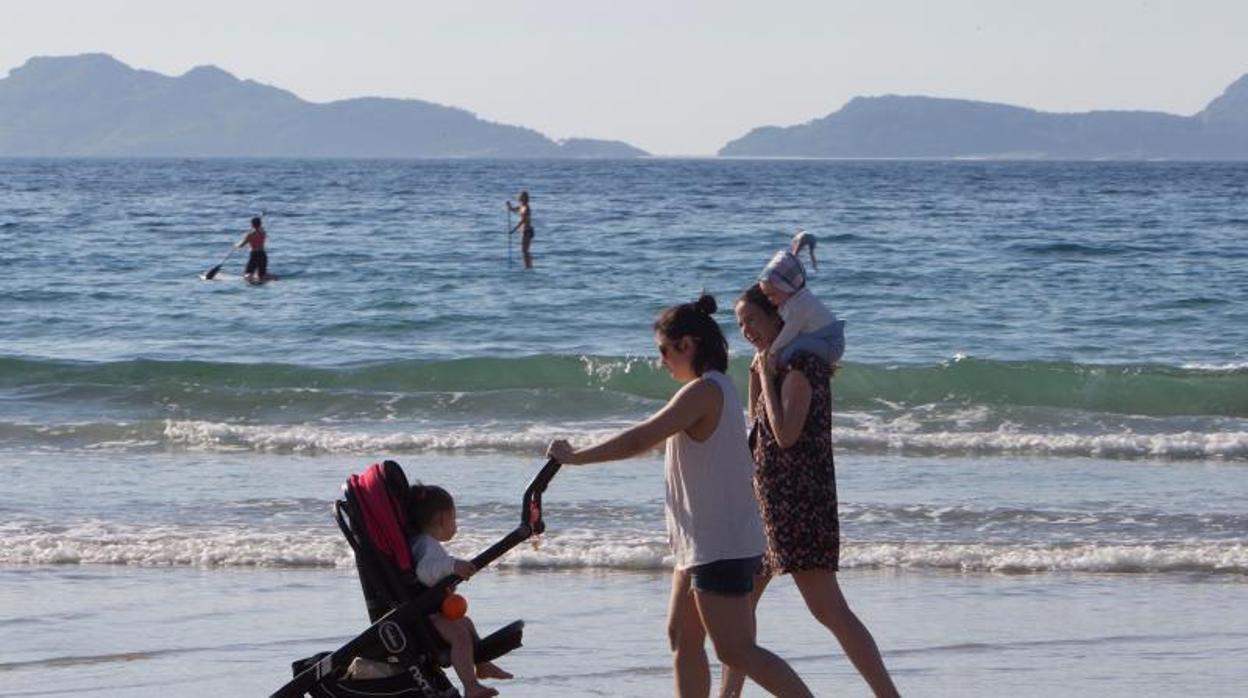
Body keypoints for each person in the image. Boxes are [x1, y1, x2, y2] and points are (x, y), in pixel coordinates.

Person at [547, 294, 813, 698]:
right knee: (682, 638)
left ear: (688, 345)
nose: (661, 362)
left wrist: (576, 457)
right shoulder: (710, 387)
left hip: (719, 544)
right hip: (700, 543)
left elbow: (641, 437)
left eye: (664, 352)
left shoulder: (704, 392)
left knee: (736, 650)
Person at [721, 284, 899, 698]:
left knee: (828, 609)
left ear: (781, 317)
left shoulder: (801, 364)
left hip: (800, 502)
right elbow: (759, 423)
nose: (746, 330)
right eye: (740, 324)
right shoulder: (775, 360)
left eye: (754, 320)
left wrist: (765, 372)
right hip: (769, 500)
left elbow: (785, 436)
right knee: (742, 607)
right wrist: (758, 371)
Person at [407, 483, 512, 698]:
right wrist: (452, 566)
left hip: (431, 611)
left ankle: (481, 664)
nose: (456, 524)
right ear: (441, 518)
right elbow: (425, 572)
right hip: (426, 616)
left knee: (466, 624)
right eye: (454, 518)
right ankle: (470, 685)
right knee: (460, 637)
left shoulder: (424, 543)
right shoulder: (426, 544)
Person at [757, 250, 845, 367]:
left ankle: (777, 365)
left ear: (786, 287)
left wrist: (772, 351)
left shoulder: (801, 305)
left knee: (794, 346)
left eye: (772, 294)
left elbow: (789, 332)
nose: (769, 299)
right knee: (794, 344)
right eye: (766, 295)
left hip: (830, 345)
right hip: (819, 340)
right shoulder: (794, 300)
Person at [506, 191, 535, 269]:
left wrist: (513, 230)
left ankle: (528, 267)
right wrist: (509, 206)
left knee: (524, 251)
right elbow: (513, 210)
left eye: (524, 198)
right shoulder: (521, 206)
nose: (522, 199)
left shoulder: (527, 208)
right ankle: (528, 266)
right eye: (522, 197)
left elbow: (523, 221)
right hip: (523, 231)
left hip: (527, 231)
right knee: (524, 251)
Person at [236, 216, 268, 283]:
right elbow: (260, 229)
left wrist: (236, 245)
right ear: (260, 224)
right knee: (262, 275)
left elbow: (242, 245)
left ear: (252, 224)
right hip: (263, 254)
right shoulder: (263, 233)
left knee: (247, 275)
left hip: (254, 255)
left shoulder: (250, 234)